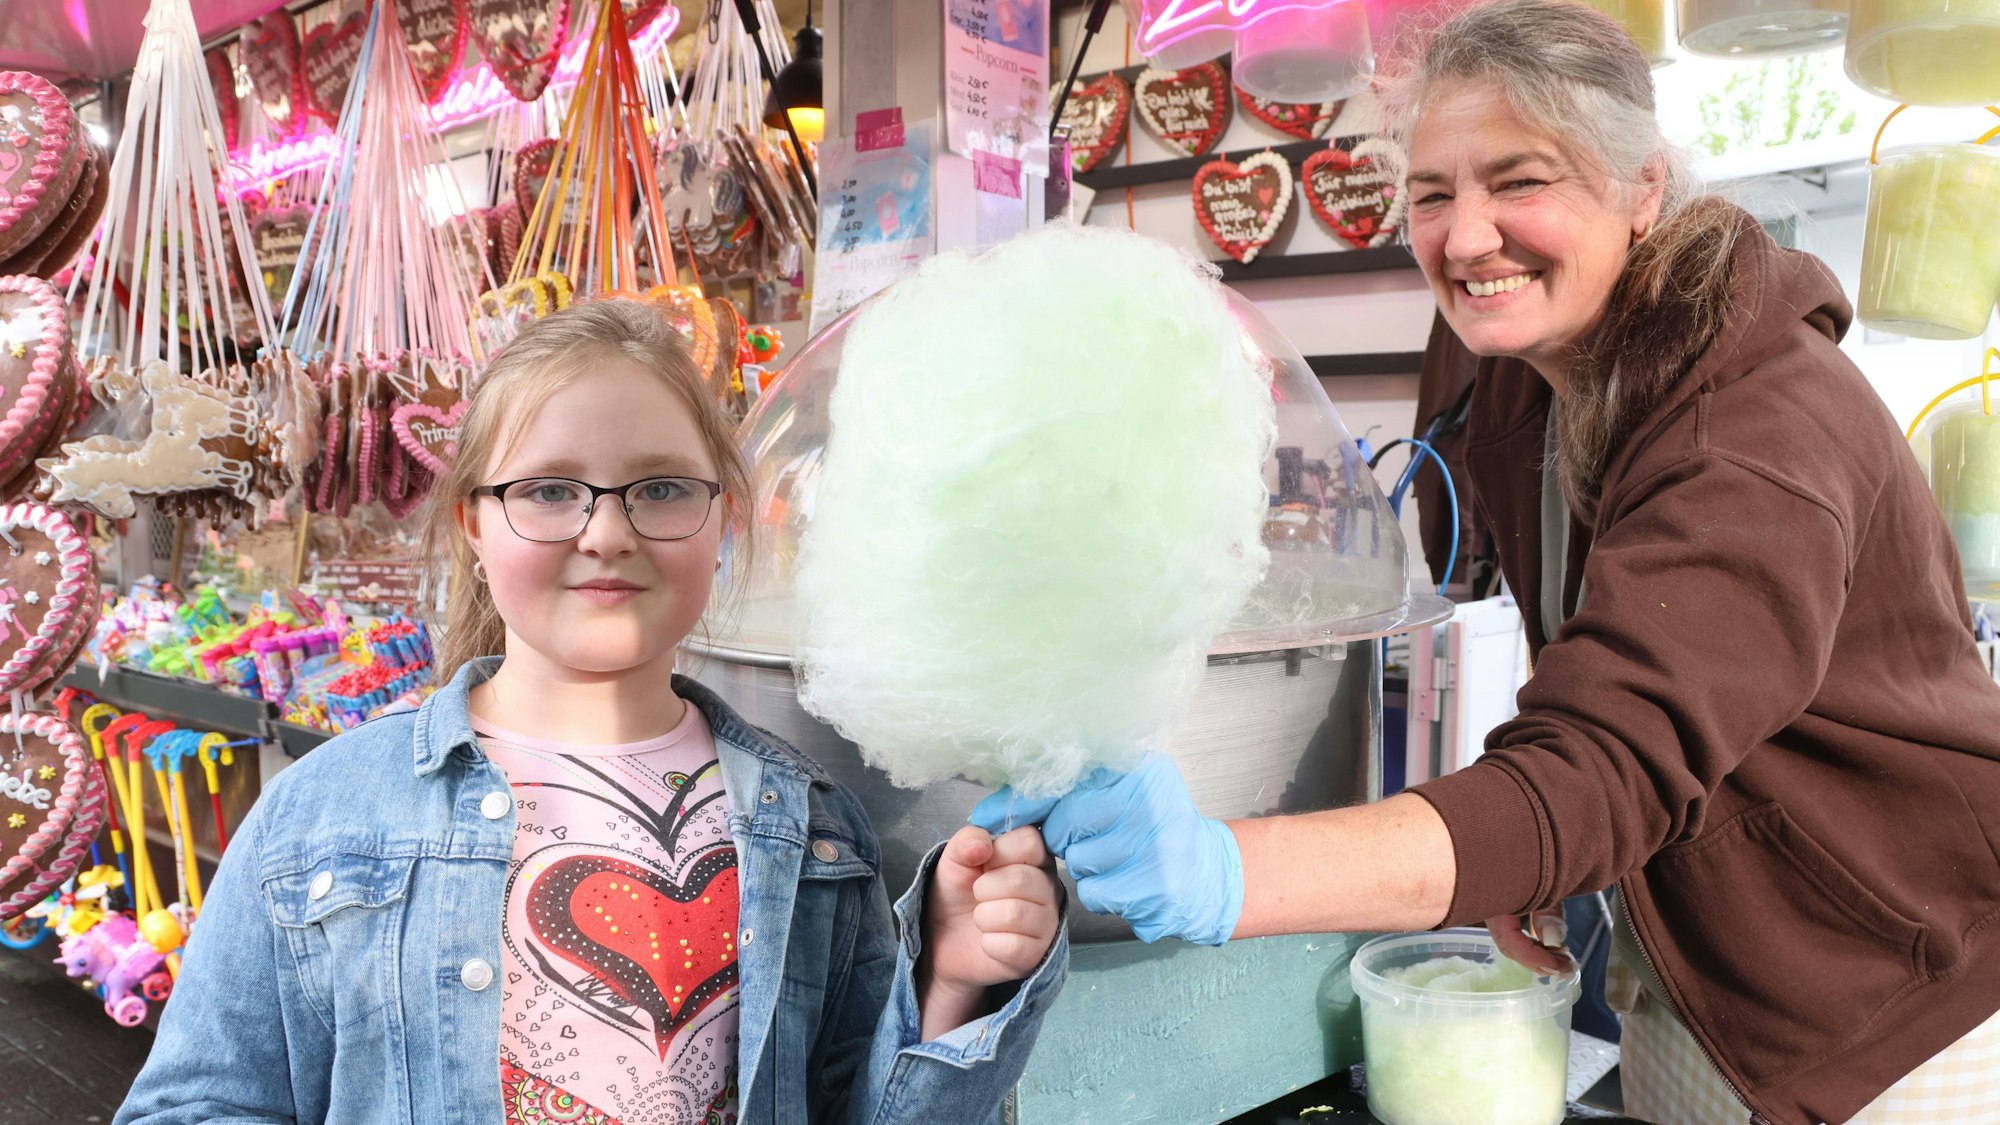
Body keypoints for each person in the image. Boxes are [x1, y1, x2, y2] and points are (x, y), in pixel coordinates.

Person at [977, 2, 2000, 1123]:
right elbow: (1596, 677)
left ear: (1641, 188)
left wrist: (1222, 869)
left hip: (1886, 992)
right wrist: (1532, 861)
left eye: (1519, 182)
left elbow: (1601, 763)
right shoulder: (1521, 369)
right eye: (1430, 193)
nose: (1464, 239)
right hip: (1691, 964)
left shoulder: (1757, 425)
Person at [119, 299, 1068, 1124]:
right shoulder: (322, 815)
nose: (607, 531)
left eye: (660, 488)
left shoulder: (817, 828)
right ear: (474, 527)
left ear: (723, 516)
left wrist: (945, 982)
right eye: (548, 491)